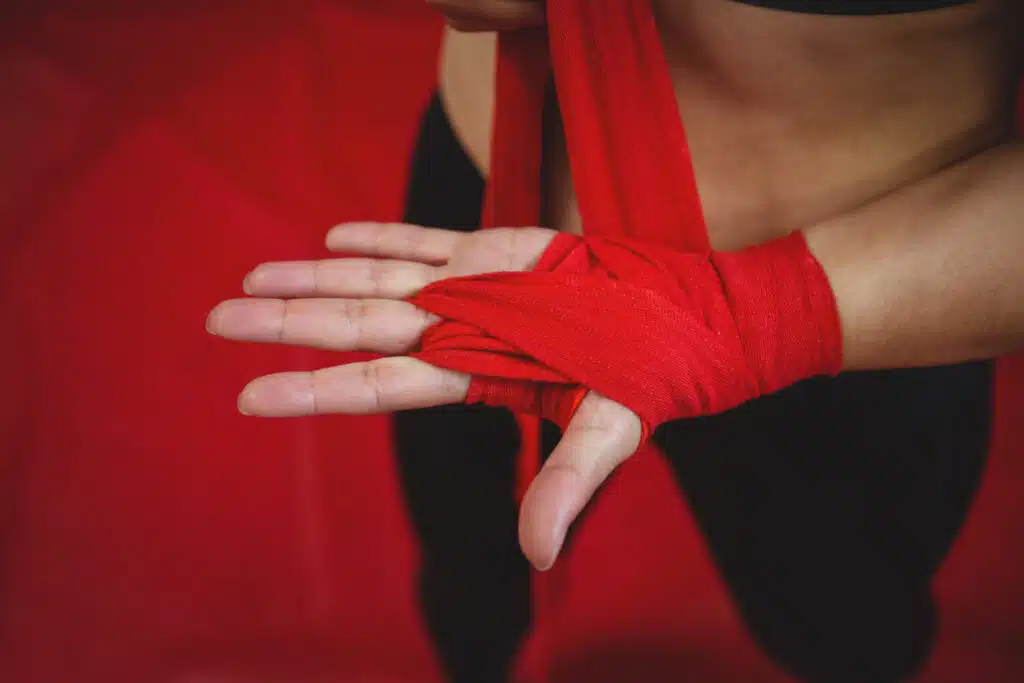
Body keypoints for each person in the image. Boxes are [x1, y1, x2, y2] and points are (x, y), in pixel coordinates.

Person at [206, 1, 1024, 681]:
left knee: (837, 633)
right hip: (488, 230)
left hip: (854, 305)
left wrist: (760, 316)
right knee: (469, 570)